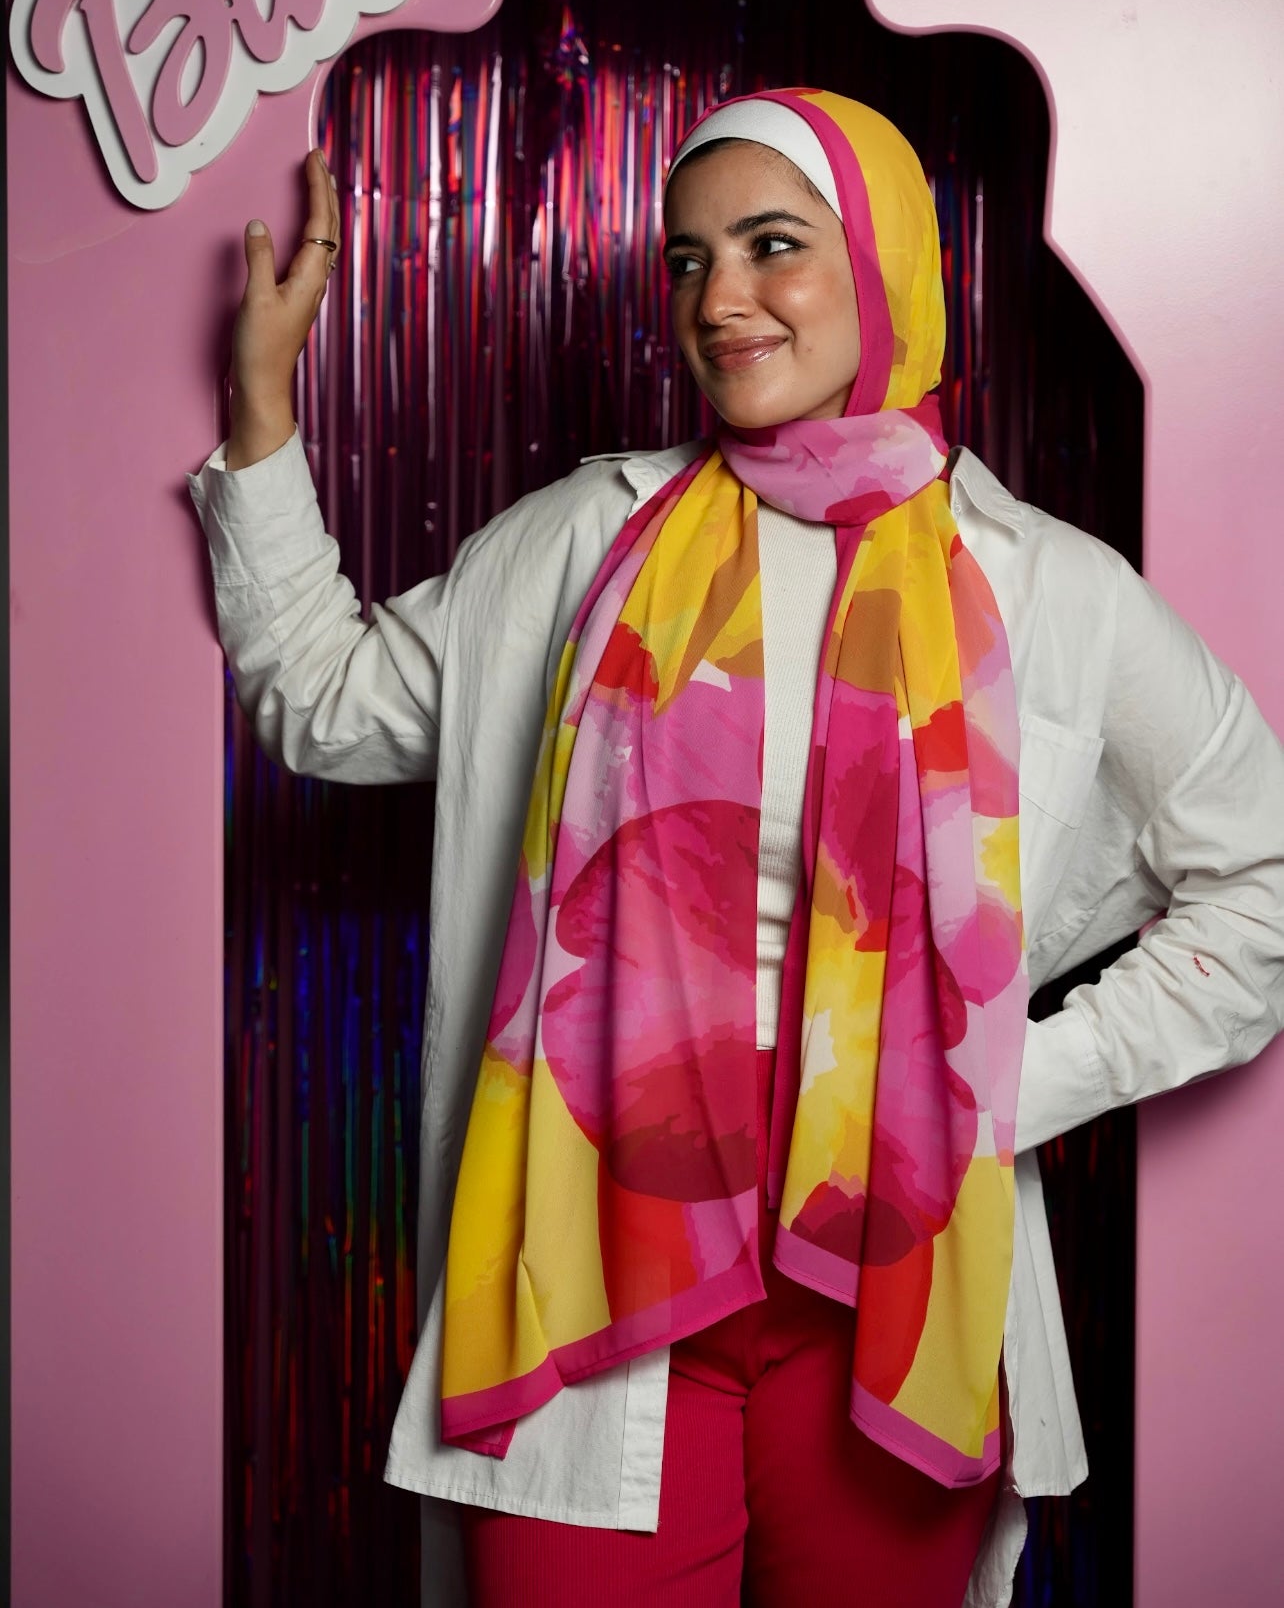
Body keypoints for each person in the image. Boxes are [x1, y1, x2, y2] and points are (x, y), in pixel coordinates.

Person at [189, 90, 1284, 1608]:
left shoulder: (1048, 588)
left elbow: (1263, 880)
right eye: (690, 260)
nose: (721, 299)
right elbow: (324, 699)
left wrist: (1002, 1083)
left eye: (776, 246)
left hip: (895, 1283)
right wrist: (261, 408)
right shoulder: (585, 539)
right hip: (587, 1263)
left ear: (889, 260)